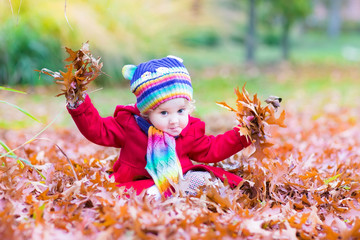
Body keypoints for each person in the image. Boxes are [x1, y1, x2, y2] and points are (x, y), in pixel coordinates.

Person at [67, 55, 252, 199]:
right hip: (139, 183)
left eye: (181, 110)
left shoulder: (190, 129)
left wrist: (245, 132)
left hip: (178, 178)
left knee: (202, 178)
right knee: (131, 194)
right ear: (147, 112)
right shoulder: (130, 125)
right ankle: (161, 195)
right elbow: (98, 130)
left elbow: (213, 148)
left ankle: (181, 191)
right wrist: (80, 104)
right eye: (164, 113)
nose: (174, 120)